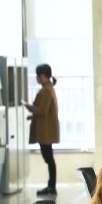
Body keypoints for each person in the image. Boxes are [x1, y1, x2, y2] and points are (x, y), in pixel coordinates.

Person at [26, 64, 60, 196]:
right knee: (49, 158)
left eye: (37, 75)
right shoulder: (48, 89)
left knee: (49, 158)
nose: (36, 78)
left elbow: (43, 110)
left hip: (46, 130)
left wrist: (30, 108)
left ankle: (51, 186)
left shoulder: (46, 91)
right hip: (46, 129)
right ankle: (51, 185)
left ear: (42, 76)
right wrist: (33, 115)